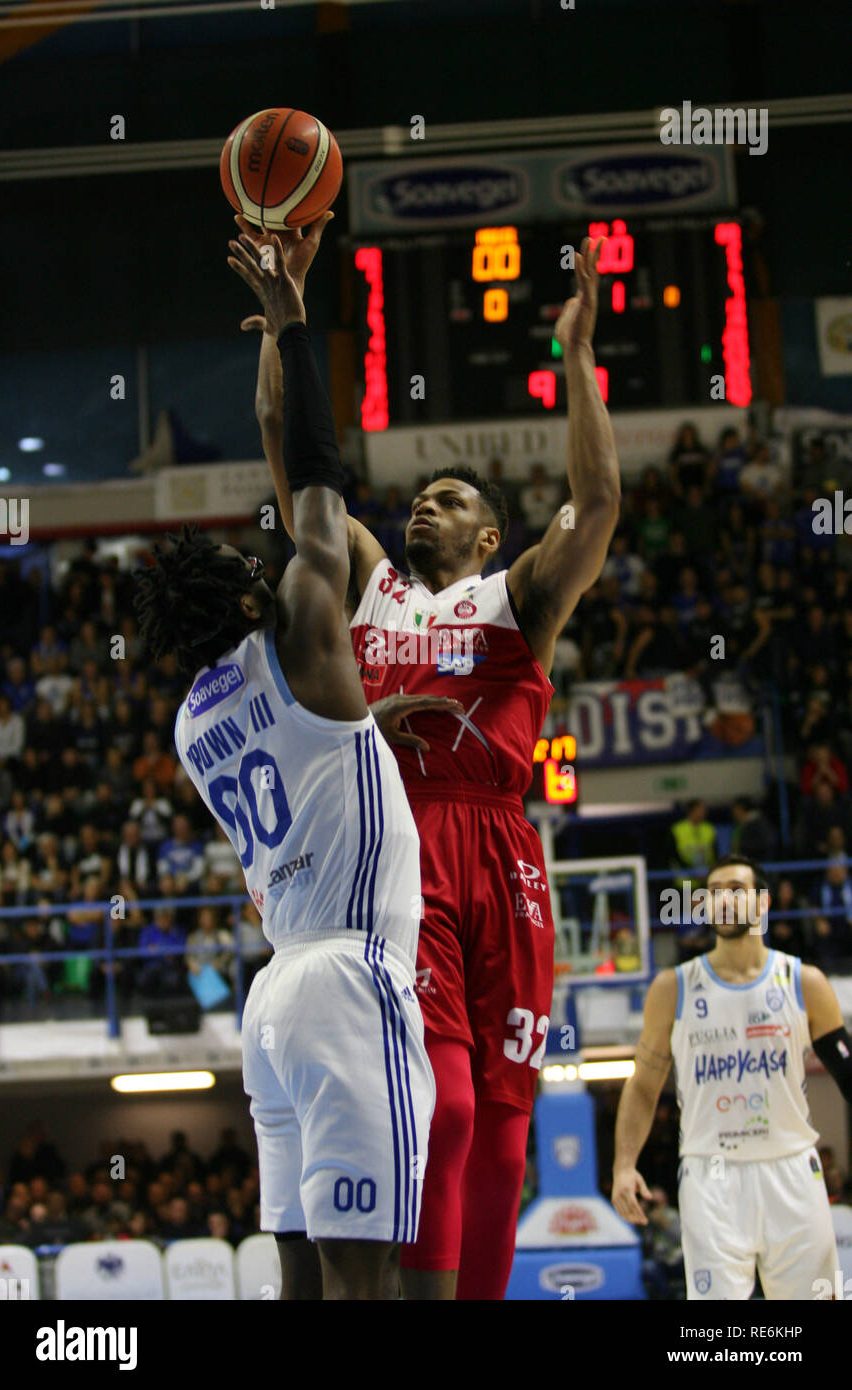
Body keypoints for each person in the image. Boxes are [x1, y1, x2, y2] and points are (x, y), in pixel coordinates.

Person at [247, 219, 620, 1299]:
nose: (421, 503)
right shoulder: (368, 578)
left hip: (502, 854)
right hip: (398, 857)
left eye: (449, 500)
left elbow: (593, 504)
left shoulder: (519, 597)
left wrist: (576, 359)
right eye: (418, 495)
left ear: (489, 537)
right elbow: (289, 447)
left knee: (504, 1135)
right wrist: (287, 322)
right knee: (442, 1106)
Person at [133, 229, 438, 1301]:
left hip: (275, 1002)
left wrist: (367, 730)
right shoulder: (306, 625)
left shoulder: (190, 718)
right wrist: (295, 322)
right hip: (351, 976)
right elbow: (311, 472)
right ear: (246, 595)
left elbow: (308, 754)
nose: (263, 558)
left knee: (303, 1275)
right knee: (365, 1283)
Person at [612, 853, 852, 1299]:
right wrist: (625, 1165)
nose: (723, 901)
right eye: (714, 893)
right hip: (711, 1173)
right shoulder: (672, 988)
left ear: (762, 904)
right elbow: (644, 1086)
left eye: (735, 891)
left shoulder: (804, 982)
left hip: (793, 1170)